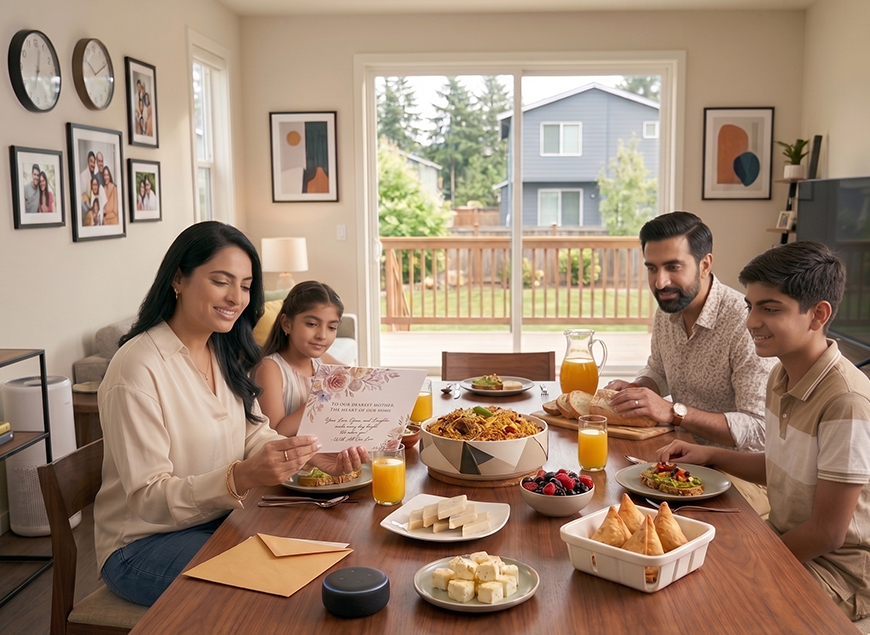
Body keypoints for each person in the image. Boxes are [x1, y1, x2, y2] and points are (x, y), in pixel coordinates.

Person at [94, 221, 328, 607]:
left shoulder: (223, 350)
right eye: (221, 281)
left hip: (216, 520)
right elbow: (147, 498)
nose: (236, 297)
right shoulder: (136, 368)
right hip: (141, 545)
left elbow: (254, 433)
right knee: (277, 593)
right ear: (178, 279)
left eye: (246, 285)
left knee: (317, 548)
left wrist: (305, 454)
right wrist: (241, 476)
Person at [657, 241, 870, 621]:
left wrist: (754, 560)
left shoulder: (846, 402)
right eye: (749, 306)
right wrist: (709, 455)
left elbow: (828, 533)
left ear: (818, 315)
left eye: (770, 309)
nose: (751, 322)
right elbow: (783, 467)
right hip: (785, 538)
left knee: (706, 607)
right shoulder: (781, 375)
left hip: (838, 573)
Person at [606, 211, 775, 513]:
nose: (660, 282)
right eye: (652, 268)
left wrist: (673, 412)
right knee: (609, 499)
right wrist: (639, 389)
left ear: (705, 264)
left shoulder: (742, 321)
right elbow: (658, 368)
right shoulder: (669, 308)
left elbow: (758, 431)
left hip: (742, 478)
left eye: (673, 267)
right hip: (681, 459)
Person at [255, 281, 368, 474]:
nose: (322, 335)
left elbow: (357, 378)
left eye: (332, 327)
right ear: (287, 323)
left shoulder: (321, 361)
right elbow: (274, 433)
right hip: (290, 473)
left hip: (326, 463)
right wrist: (318, 401)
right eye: (312, 324)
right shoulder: (271, 368)